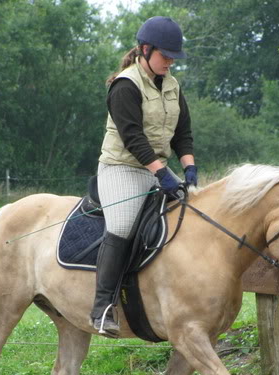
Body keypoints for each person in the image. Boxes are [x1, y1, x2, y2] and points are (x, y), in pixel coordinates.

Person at [90, 16, 198, 337]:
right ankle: (102, 308)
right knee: (122, 225)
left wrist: (189, 169)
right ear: (145, 49)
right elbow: (133, 138)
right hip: (121, 168)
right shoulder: (125, 85)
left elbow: (183, 134)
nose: (170, 63)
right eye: (165, 56)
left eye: (173, 58)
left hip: (157, 169)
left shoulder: (173, 86)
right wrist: (163, 174)